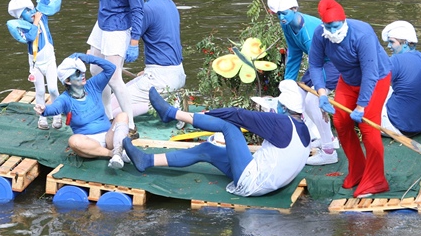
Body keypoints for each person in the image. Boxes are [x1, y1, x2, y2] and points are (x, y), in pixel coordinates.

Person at [37, 0, 143, 139]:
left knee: (114, 78)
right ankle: (106, 115)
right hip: (102, 23)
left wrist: (134, 42)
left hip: (118, 28)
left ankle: (130, 124)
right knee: (95, 72)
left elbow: (138, 8)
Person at [122, 80, 311, 197]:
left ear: (283, 107)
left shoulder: (282, 123)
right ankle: (146, 160)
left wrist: (209, 113)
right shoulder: (305, 129)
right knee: (207, 150)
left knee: (229, 126)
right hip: (269, 182)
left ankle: (170, 113)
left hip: (253, 182)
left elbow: (236, 115)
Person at [308, 0, 391, 198]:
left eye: (336, 26)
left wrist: (361, 107)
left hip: (376, 79)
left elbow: (370, 73)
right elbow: (315, 64)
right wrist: (321, 93)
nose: (332, 31)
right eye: (328, 26)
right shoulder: (321, 34)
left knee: (368, 127)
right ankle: (358, 169)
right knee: (341, 121)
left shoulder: (363, 35)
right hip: (348, 79)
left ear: (343, 22)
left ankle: (377, 180)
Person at [267, 0, 340, 166]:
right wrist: (286, 85)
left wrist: (321, 94)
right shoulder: (287, 26)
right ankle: (328, 138)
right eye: (278, 14)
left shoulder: (309, 33)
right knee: (298, 95)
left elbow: (318, 67)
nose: (281, 18)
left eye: (284, 13)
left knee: (312, 102)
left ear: (294, 9)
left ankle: (329, 152)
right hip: (319, 63)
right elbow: (294, 55)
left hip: (335, 62)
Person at [111, 0, 186, 117]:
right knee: (118, 96)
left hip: (160, 79)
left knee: (109, 112)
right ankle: (169, 98)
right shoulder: (168, 2)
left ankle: (167, 105)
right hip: (177, 74)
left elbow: (122, 47)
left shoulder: (146, 10)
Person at [34, 53, 131, 169]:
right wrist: (44, 110)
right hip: (88, 143)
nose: (82, 75)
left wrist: (89, 59)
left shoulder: (93, 85)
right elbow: (55, 107)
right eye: (78, 73)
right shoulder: (65, 99)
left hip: (108, 136)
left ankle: (117, 150)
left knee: (123, 116)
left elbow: (111, 68)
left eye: (83, 72)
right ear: (68, 81)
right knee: (73, 141)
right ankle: (114, 154)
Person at [7, 0, 61, 130]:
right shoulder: (24, 28)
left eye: (30, 9)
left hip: (50, 60)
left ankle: (57, 115)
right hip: (36, 65)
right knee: (40, 91)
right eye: (26, 12)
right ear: (20, 16)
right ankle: (42, 119)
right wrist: (35, 20)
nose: (30, 12)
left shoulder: (42, 17)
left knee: (53, 89)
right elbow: (31, 35)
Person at [380, 21, 421, 135]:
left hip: (399, 127)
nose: (389, 46)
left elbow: (372, 83)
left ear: (405, 42)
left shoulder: (395, 60)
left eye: (392, 42)